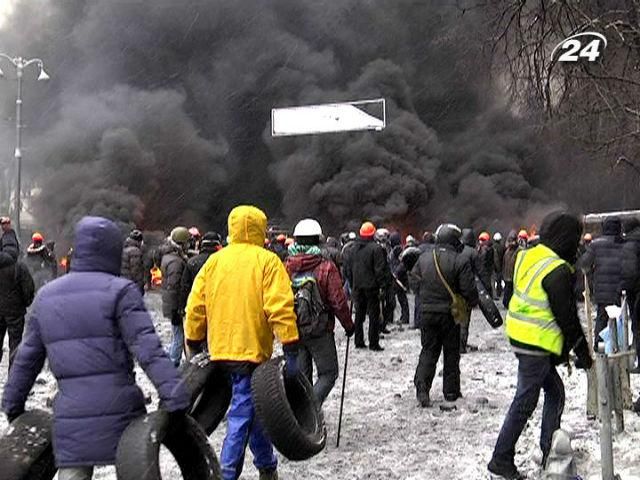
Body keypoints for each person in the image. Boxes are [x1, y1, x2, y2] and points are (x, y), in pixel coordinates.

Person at [2, 216, 190, 480]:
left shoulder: (48, 297)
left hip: (70, 421)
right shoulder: (122, 292)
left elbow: (25, 360)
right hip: (124, 420)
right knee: (134, 469)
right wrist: (174, 395)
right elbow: (149, 350)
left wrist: (13, 406)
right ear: (113, 251)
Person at [185, 205, 299, 480]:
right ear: (261, 227)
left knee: (253, 409)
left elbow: (195, 305)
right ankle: (226, 472)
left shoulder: (214, 261)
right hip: (250, 351)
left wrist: (194, 338)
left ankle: (267, 465)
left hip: (220, 348)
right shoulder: (268, 261)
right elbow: (279, 307)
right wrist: (290, 341)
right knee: (241, 414)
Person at [488, 211, 592, 480]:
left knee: (554, 392)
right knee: (525, 400)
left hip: (521, 337)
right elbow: (567, 318)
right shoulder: (556, 270)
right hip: (535, 343)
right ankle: (502, 459)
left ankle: (548, 451)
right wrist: (583, 353)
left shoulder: (529, 255)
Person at [285, 218, 354, 405]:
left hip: (295, 328)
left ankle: (301, 417)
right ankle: (310, 410)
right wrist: (348, 325)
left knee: (302, 377)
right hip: (319, 330)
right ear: (318, 239)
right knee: (329, 373)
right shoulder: (325, 267)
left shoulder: (287, 266)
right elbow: (338, 301)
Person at [410, 224, 478, 407]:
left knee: (428, 350)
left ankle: (422, 389)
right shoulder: (460, 261)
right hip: (449, 315)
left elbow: (413, 281)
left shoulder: (423, 258)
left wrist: (423, 296)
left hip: (427, 313)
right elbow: (468, 290)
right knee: (451, 353)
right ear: (454, 241)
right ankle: (450, 392)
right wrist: (469, 301)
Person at [578, 217, 624, 350]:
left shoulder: (595, 245)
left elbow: (584, 264)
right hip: (620, 290)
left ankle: (599, 345)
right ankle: (621, 345)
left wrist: (591, 272)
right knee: (622, 319)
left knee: (601, 318)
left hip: (602, 292)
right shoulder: (623, 243)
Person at [343, 222, 390, 351]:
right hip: (371, 287)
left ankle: (358, 341)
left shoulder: (353, 249)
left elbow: (348, 268)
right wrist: (383, 285)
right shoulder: (376, 249)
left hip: (357, 286)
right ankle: (373, 343)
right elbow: (379, 269)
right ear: (373, 233)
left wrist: (352, 282)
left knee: (359, 315)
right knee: (374, 315)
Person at [0, 248, 34, 371]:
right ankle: (13, 378)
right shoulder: (20, 267)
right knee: (15, 344)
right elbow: (28, 288)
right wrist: (25, 303)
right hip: (15, 312)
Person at [161, 226, 190, 367]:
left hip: (171, 304)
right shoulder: (176, 262)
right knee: (179, 336)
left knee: (176, 334)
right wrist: (179, 308)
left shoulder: (169, 257)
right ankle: (173, 362)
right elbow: (174, 287)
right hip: (175, 305)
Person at [180, 231, 222, 327]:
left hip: (196, 307)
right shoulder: (225, 262)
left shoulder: (192, 262)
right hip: (218, 309)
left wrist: (182, 308)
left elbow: (185, 287)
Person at [621, 218, 640, 371]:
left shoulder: (629, 245)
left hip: (637, 294)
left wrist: (624, 289)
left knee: (638, 329)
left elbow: (630, 273)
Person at [459, 228, 478, 353]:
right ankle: (462, 345)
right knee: (465, 320)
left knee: (457, 317)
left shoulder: (457, 250)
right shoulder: (473, 253)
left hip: (456, 289)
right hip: (468, 288)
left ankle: (455, 344)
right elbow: (479, 271)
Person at [121, 229, 145, 294]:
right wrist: (140, 287)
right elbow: (136, 271)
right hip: (132, 284)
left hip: (124, 282)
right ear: (139, 241)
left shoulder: (125, 249)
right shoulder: (135, 252)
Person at [502, 231, 520, 308]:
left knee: (512, 293)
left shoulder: (519, 251)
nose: (511, 242)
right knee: (507, 295)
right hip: (507, 276)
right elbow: (504, 263)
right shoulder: (507, 251)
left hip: (514, 276)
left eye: (512, 240)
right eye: (510, 240)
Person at [493, 232, 505, 299]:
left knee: (495, 281)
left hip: (494, 267)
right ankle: (499, 293)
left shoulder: (492, 247)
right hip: (500, 267)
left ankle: (496, 293)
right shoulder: (502, 247)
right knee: (499, 281)